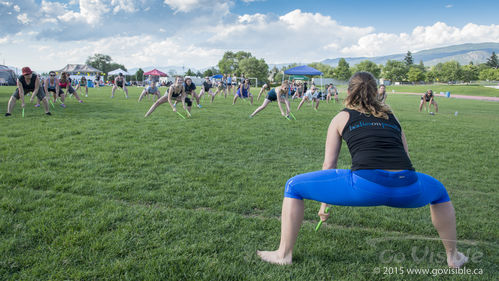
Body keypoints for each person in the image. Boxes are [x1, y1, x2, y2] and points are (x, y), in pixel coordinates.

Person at [257, 72, 468, 269]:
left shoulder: (342, 117)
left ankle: (284, 254)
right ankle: (453, 256)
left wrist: (324, 204)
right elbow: (406, 158)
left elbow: (329, 166)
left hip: (365, 186)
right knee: (439, 191)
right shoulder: (391, 117)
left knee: (293, 186)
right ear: (377, 92)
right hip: (408, 186)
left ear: (349, 91)